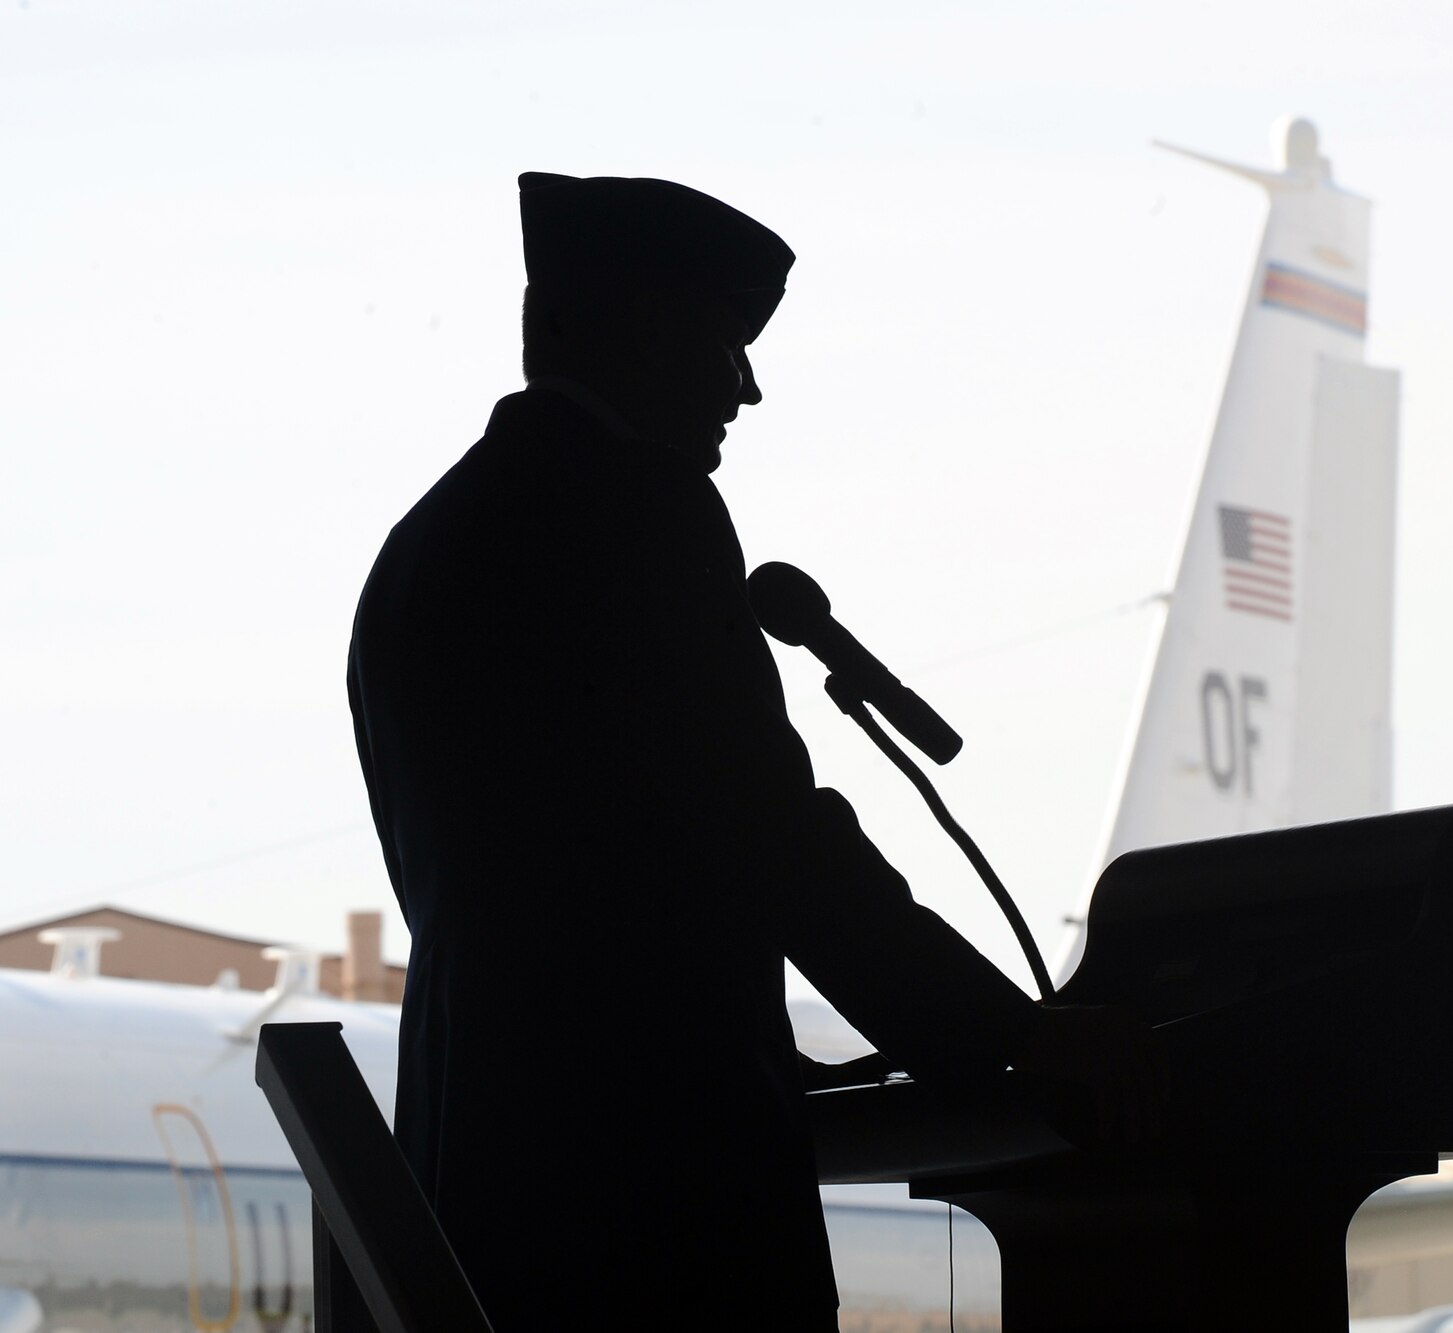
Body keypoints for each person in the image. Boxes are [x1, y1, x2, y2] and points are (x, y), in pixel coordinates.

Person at [347, 173, 1159, 1329]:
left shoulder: (424, 544)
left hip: (479, 1159)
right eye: (719, 342)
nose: (748, 386)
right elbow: (770, 839)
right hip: (654, 1184)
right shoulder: (635, 510)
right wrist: (1017, 1038)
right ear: (625, 332)